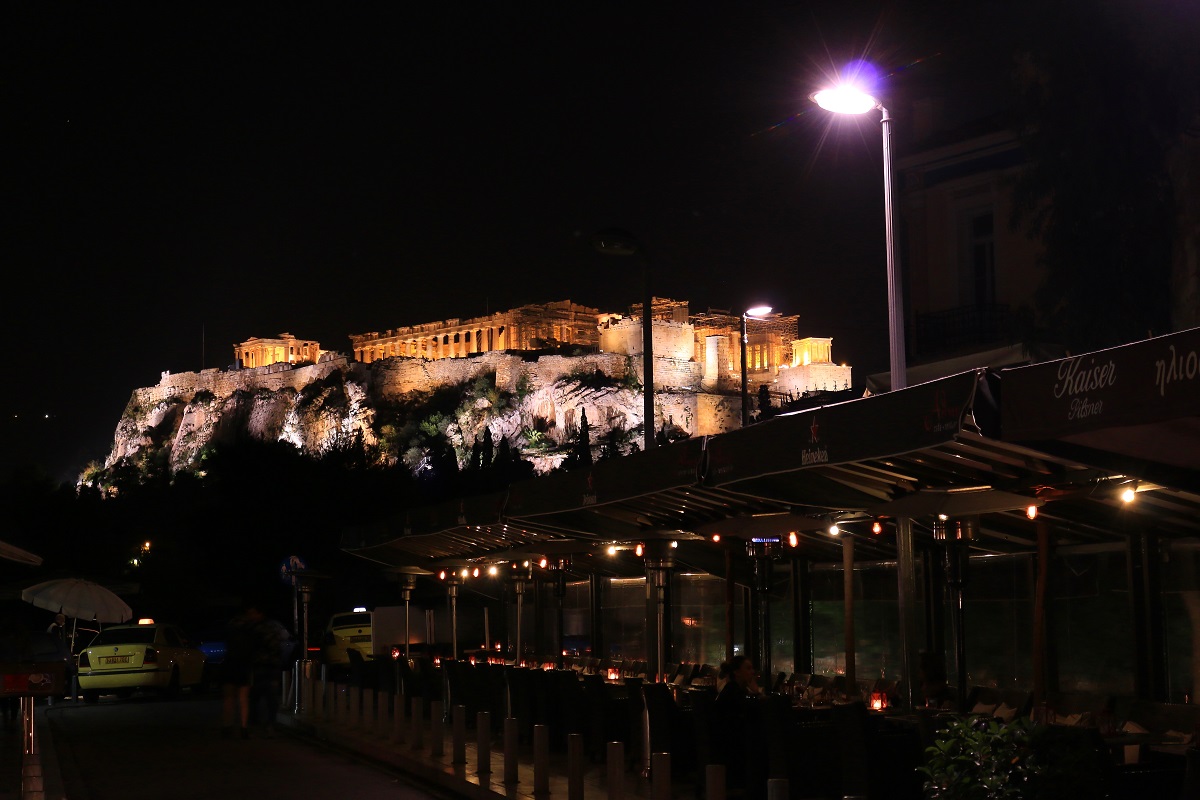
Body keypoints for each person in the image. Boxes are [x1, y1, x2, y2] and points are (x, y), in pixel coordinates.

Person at [709, 656, 764, 795]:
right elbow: (753, 714)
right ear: (737, 672)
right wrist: (757, 693)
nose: (752, 672)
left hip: (722, 743)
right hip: (732, 746)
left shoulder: (733, 689)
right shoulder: (734, 692)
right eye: (748, 668)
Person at [220, 604, 263, 739]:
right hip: (244, 664)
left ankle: (227, 725)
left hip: (230, 663)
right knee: (243, 697)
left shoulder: (230, 627)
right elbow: (255, 646)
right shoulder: (250, 628)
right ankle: (244, 727)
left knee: (229, 697)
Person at [248, 612, 290, 738]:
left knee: (255, 696)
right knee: (270, 697)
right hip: (272, 665)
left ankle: (255, 724)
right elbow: (285, 638)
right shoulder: (275, 626)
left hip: (260, 666)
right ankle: (270, 724)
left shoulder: (254, 628)